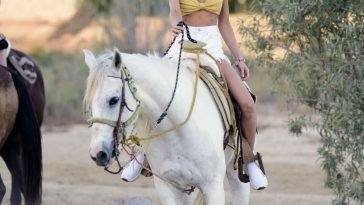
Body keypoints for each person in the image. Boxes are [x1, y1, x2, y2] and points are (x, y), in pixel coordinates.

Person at [121, 0, 268, 190]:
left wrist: (239, 59)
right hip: (183, 45)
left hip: (212, 48)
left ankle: (248, 161)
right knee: (154, 94)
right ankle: (142, 153)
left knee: (247, 104)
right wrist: (175, 25)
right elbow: (174, 13)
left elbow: (224, 23)